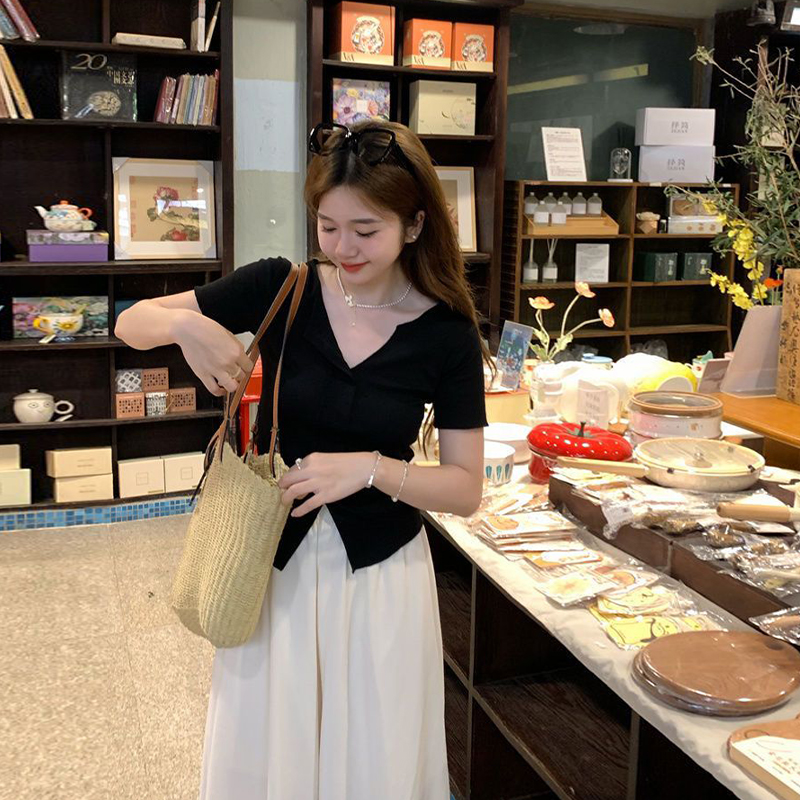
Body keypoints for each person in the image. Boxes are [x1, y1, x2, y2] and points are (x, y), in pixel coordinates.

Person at [115, 119, 492, 800]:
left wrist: (372, 468)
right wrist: (184, 324)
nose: (343, 248)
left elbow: (465, 489)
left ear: (414, 224)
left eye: (365, 230)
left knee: (374, 748)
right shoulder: (282, 287)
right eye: (328, 226)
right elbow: (129, 321)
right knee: (271, 743)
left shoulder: (447, 334)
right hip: (271, 563)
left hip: (380, 576)